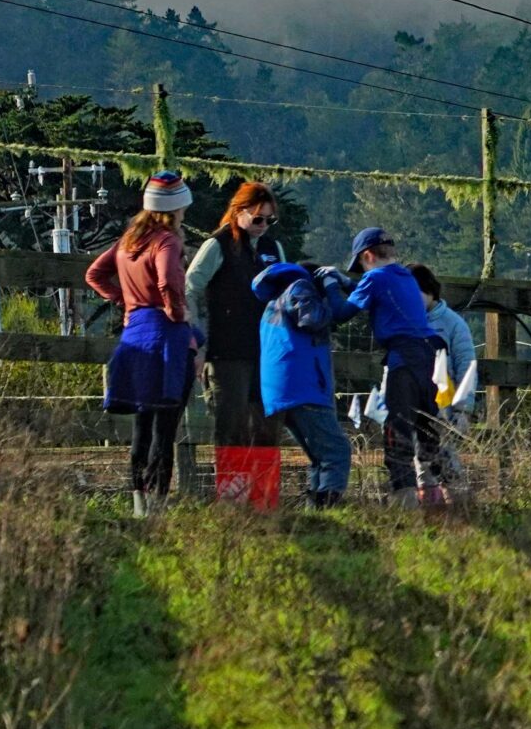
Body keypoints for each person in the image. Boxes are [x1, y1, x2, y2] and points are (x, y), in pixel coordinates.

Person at [85, 172, 201, 517]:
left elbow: (94, 274)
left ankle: (138, 503)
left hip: (134, 335)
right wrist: (177, 313)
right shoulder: (167, 241)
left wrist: (125, 301)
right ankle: (158, 506)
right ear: (175, 208)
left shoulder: (128, 241)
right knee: (166, 428)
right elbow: (168, 280)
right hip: (166, 338)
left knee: (141, 426)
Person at [193, 180, 288, 507]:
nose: (263, 226)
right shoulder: (217, 245)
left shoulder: (273, 250)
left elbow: (283, 295)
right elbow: (190, 287)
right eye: (258, 219)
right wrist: (197, 336)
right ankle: (232, 500)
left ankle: (264, 498)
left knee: (267, 424)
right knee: (231, 425)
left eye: (269, 220)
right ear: (239, 211)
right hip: (227, 352)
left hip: (266, 353)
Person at [345, 228, 446, 506]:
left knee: (397, 430)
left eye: (361, 266)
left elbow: (343, 312)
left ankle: (405, 502)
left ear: (367, 256)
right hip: (428, 357)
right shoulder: (406, 277)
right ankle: (444, 495)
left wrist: (331, 285)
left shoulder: (374, 277)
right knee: (426, 427)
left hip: (402, 357)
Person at [252, 257, 355, 506]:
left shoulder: (275, 300)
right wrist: (331, 288)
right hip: (304, 386)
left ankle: (315, 512)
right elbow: (312, 319)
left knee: (320, 457)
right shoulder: (300, 287)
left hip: (284, 390)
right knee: (337, 451)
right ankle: (327, 509)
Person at [411, 264, 475, 488]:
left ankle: (458, 511)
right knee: (421, 465)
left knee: (446, 462)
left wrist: (462, 409)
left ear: (429, 291)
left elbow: (466, 367)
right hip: (415, 406)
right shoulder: (408, 322)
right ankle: (429, 516)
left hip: (444, 409)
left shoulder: (454, 324)